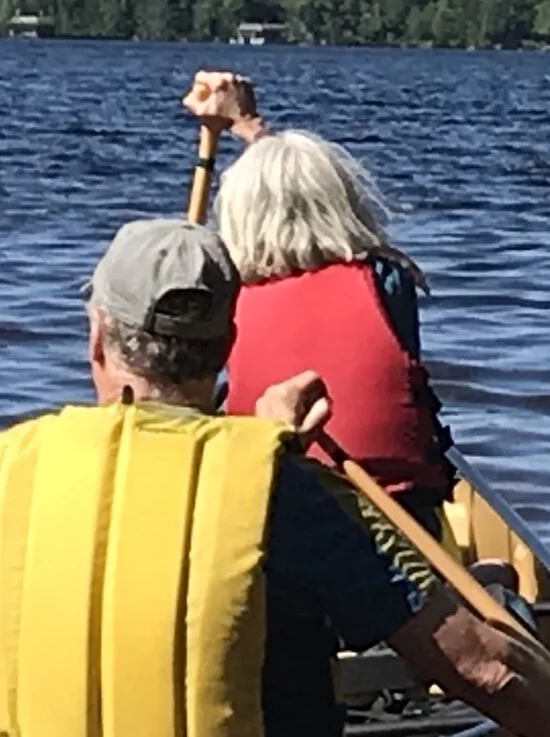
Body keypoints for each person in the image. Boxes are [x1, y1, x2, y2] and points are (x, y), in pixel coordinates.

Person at [0, 216, 550, 737]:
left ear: (96, 338)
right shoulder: (274, 487)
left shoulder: (11, 464)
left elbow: (157, 506)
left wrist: (254, 445)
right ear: (227, 349)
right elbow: (484, 666)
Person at [182, 70, 456, 525]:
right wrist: (249, 126)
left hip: (267, 521)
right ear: (338, 202)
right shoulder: (386, 282)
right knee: (498, 577)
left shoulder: (221, 294)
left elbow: (265, 207)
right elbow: (292, 197)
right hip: (396, 520)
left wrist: (245, 130)